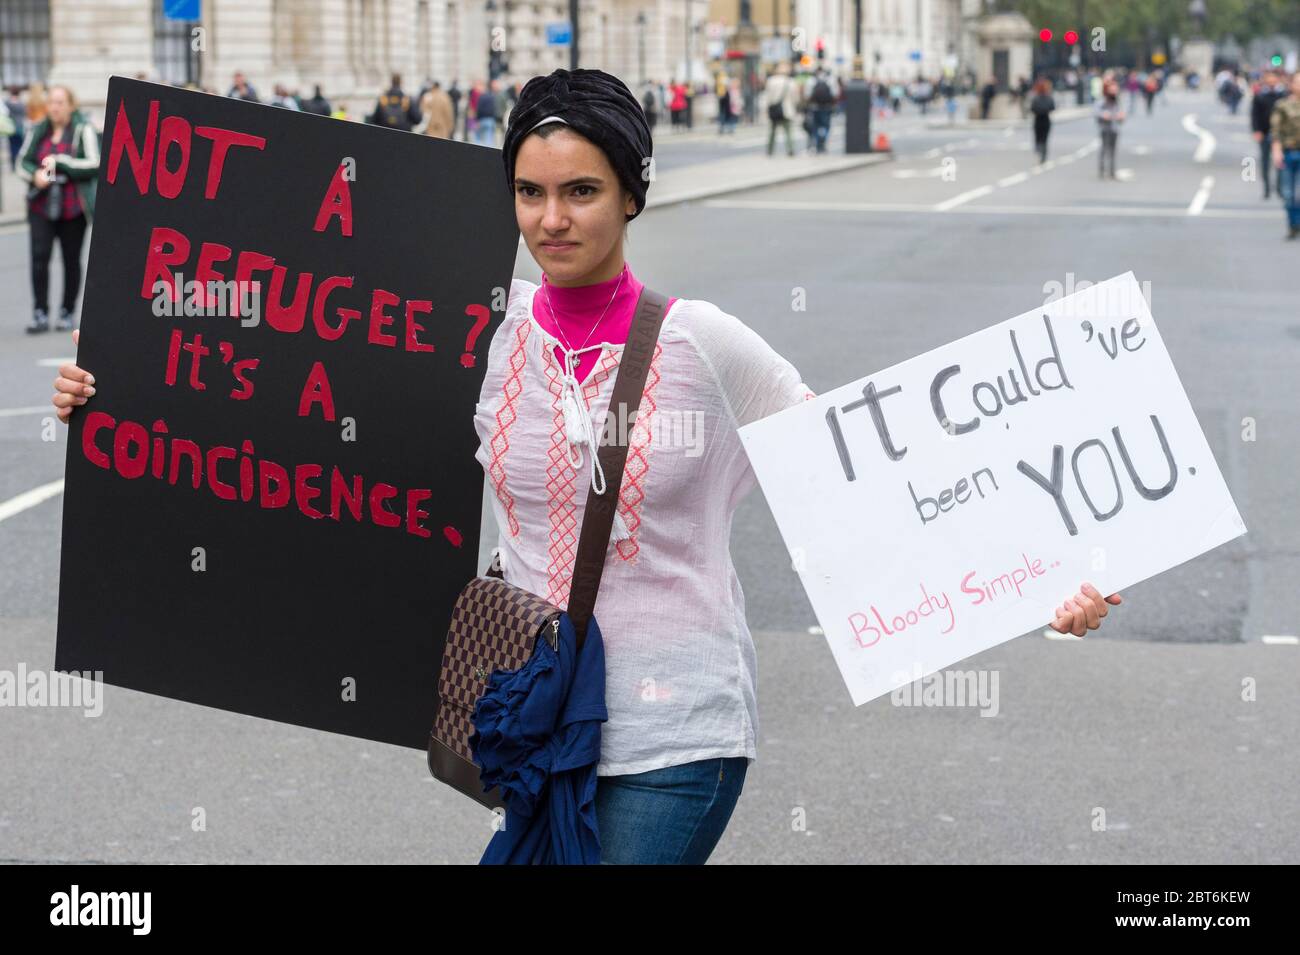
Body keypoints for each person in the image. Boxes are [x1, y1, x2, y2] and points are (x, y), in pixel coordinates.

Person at [49, 66, 1125, 864]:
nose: (550, 219)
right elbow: (289, 404)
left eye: (581, 191)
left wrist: (1041, 584)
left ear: (632, 195)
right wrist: (121, 394)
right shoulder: (483, 330)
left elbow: (868, 476)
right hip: (538, 722)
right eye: (528, 192)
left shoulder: (705, 343)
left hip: (677, 729)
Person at [15, 84, 98, 334]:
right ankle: (40, 312)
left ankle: (66, 311)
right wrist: (35, 175)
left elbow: (95, 163)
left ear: (70, 105)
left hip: (73, 207)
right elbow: (22, 162)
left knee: (71, 260)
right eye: (51, 102)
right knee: (39, 259)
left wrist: (60, 162)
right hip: (41, 205)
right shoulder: (39, 129)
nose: (55, 107)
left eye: (60, 102)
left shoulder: (82, 128)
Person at [1269, 71, 1300, 239]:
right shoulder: (1282, 105)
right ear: (1292, 84)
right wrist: (1276, 150)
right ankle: (1292, 224)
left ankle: (1298, 221)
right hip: (1288, 153)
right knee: (1287, 194)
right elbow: (1275, 131)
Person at [1251, 71, 1286, 199]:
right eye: (1269, 79)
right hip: (1265, 133)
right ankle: (1266, 189)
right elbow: (1254, 115)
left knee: (1281, 162)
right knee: (1265, 162)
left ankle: (1280, 187)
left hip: (1281, 135)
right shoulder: (1260, 95)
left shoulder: (1283, 94)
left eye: (1273, 78)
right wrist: (1257, 130)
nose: (1271, 81)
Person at [764, 62, 796, 157]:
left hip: (774, 109)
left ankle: (770, 150)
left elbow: (768, 97)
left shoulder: (771, 81)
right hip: (787, 109)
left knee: (772, 132)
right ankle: (790, 149)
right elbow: (794, 97)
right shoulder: (790, 81)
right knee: (788, 131)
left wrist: (767, 109)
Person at [1095, 80, 1125, 179]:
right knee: (1104, 149)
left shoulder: (1117, 101)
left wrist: (1121, 116)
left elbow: (1121, 115)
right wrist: (1103, 115)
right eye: (1112, 89)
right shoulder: (1102, 101)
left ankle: (1112, 171)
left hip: (1114, 128)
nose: (1114, 91)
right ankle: (1102, 170)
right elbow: (1097, 113)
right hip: (1105, 128)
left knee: (1113, 151)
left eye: (1115, 89)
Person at [808, 69, 836, 153]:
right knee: (826, 126)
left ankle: (817, 143)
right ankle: (823, 141)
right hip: (827, 107)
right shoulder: (830, 80)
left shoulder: (811, 81)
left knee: (815, 126)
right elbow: (835, 94)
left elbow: (807, 95)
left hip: (815, 107)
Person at [1029, 77, 1056, 163]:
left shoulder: (1035, 98)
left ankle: (1039, 150)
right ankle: (1043, 154)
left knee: (1038, 137)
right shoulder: (1049, 98)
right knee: (1045, 138)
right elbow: (1052, 107)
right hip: (1046, 120)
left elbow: (1032, 109)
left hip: (1038, 120)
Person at [473, 79, 501, 145]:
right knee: (489, 138)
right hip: (491, 119)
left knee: (478, 137)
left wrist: (477, 119)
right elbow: (495, 108)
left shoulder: (482, 97)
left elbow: (479, 109)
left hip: (482, 119)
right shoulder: (493, 97)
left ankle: (477, 150)